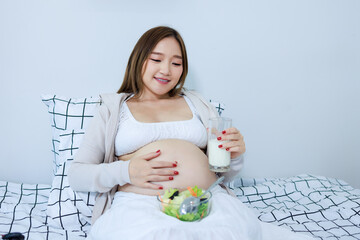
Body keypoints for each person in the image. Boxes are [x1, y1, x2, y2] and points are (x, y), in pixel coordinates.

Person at [68, 26, 312, 240]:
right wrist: (125, 171)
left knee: (237, 232)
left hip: (207, 200)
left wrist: (235, 156)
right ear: (138, 59)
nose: (166, 70)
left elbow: (224, 172)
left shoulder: (198, 103)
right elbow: (78, 174)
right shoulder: (113, 110)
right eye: (156, 59)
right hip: (141, 205)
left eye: (176, 63)